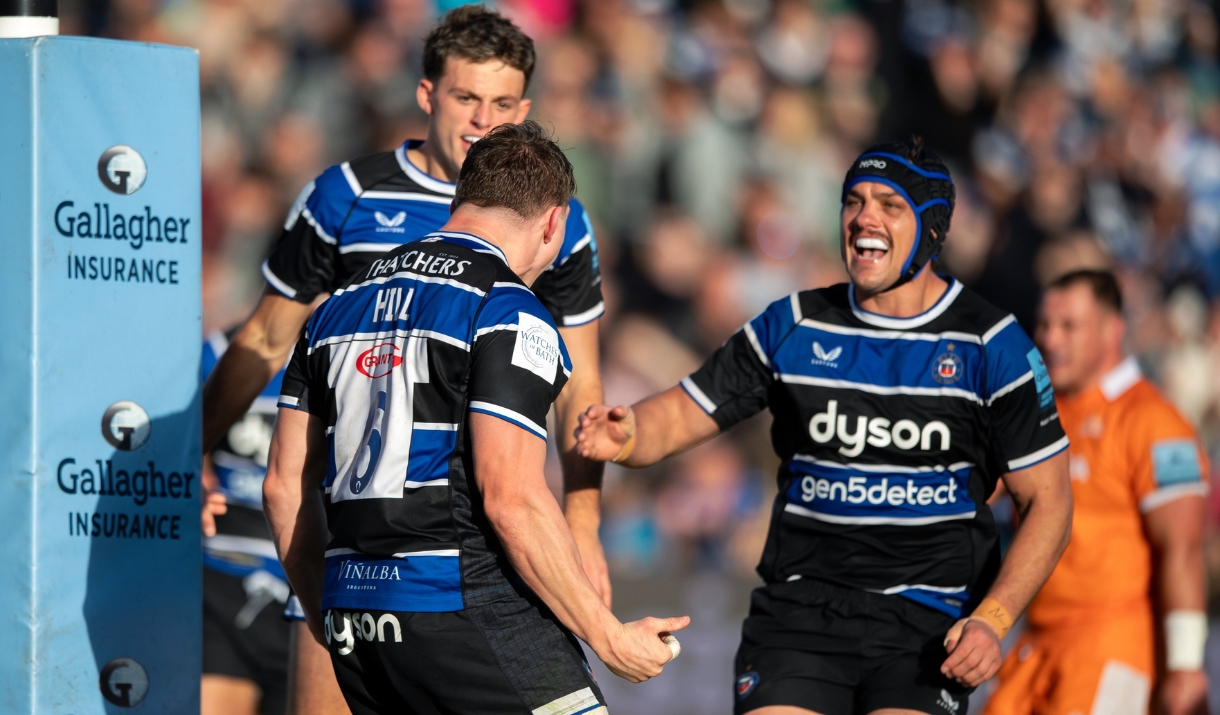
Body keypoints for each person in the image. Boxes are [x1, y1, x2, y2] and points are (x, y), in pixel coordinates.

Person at [199, 7, 610, 713]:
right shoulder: (348, 195)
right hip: (355, 544)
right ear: (427, 96)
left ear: (527, 107)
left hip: (483, 562)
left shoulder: (556, 216)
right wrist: (193, 449)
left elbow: (582, 389)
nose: (485, 120)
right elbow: (266, 340)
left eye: (504, 103)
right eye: (466, 98)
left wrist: (583, 526)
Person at [576, 138, 1075, 715]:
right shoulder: (793, 324)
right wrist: (627, 433)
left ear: (932, 231)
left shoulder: (992, 345)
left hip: (926, 625)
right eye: (854, 201)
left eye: (890, 205)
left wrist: (993, 619)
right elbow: (683, 412)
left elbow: (1050, 503)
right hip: (798, 617)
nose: (865, 217)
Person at [263, 120, 687, 715]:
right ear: (554, 224)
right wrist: (611, 637)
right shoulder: (509, 310)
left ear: (460, 200)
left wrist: (332, 618)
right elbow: (510, 498)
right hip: (464, 606)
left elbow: (283, 489)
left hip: (356, 623)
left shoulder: (334, 308)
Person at [985, 270, 1210, 715]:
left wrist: (1185, 666)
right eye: (1045, 324)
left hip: (1113, 646)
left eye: (1069, 326)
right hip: (1037, 644)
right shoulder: (1038, 415)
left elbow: (1183, 548)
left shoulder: (1153, 423)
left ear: (1112, 330)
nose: (1051, 339)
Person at [200, 331, 292, 715]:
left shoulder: (355, 352)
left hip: (315, 594)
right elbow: (176, 449)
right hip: (223, 581)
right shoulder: (217, 353)